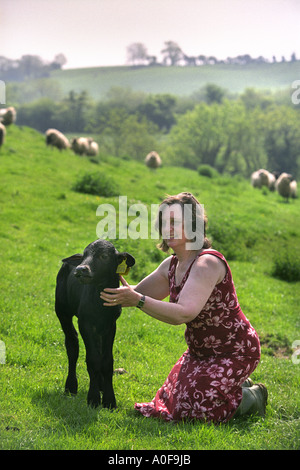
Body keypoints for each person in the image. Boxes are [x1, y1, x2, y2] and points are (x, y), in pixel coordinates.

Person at [100, 192, 267, 423]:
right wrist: (102, 277)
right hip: (199, 353)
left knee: (197, 407)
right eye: (163, 223)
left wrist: (137, 300)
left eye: (174, 223)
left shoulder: (207, 263)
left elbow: (183, 313)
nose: (167, 229)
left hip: (234, 350)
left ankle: (253, 397)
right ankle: (233, 385)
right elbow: (139, 291)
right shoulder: (171, 264)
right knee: (171, 403)